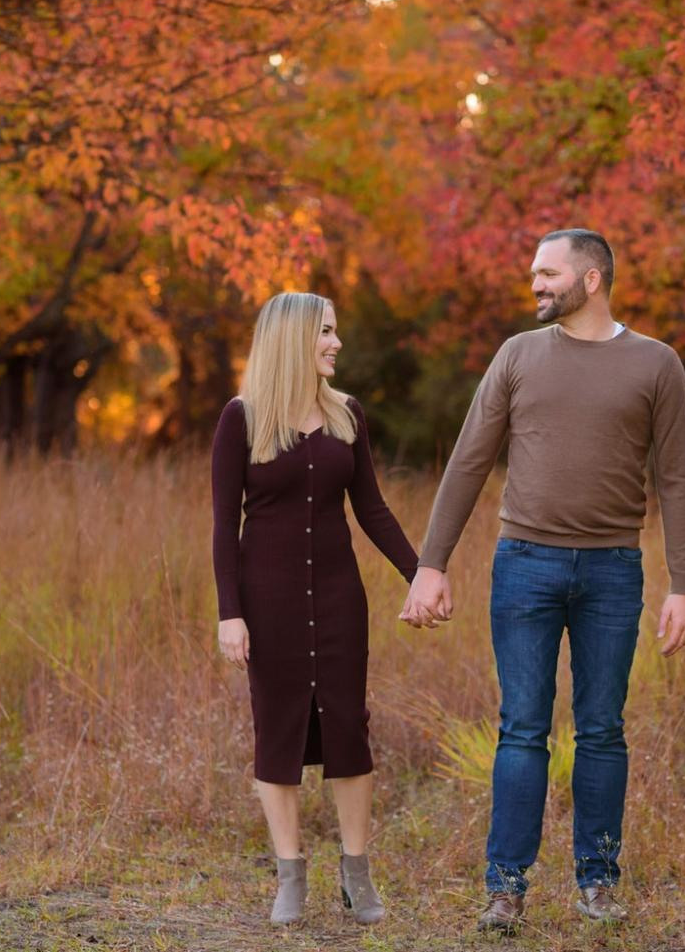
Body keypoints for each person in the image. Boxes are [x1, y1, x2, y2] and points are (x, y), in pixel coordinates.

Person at [400, 229, 685, 933]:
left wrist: (683, 582)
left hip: (613, 570)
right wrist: (431, 563)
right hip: (524, 566)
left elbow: (678, 480)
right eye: (533, 273)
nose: (534, 284)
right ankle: (505, 888)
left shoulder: (656, 363)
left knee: (601, 730)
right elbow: (469, 460)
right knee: (522, 728)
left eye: (547, 273)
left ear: (592, 279)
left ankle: (597, 883)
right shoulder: (518, 355)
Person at [212, 291, 419, 925]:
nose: (335, 344)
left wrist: (422, 574)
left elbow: (373, 510)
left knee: (347, 729)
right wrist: (230, 614)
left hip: (338, 602)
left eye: (335, 332)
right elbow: (224, 527)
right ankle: (290, 876)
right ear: (292, 339)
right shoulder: (242, 419)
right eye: (325, 333)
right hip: (265, 604)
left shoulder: (347, 415)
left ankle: (356, 875)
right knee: (278, 733)